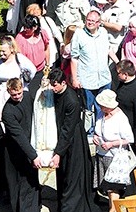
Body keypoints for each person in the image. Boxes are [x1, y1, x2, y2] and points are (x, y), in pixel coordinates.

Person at [47, 68, 95, 212]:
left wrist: (58, 153)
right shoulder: (56, 94)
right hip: (64, 138)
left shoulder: (72, 101)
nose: (52, 88)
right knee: (63, 175)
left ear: (63, 83)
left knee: (72, 176)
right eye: (51, 84)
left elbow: (68, 130)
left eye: (55, 84)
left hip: (74, 141)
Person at [2, 76, 43, 212]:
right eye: (14, 94)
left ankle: (34, 206)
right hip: (16, 150)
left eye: (19, 93)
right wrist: (33, 156)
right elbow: (18, 136)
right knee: (18, 183)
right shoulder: (7, 111)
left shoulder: (27, 96)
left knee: (31, 180)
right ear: (8, 92)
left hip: (29, 145)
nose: (17, 97)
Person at [92, 89, 135, 212]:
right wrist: (95, 137)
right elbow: (97, 130)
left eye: (102, 106)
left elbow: (129, 139)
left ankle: (113, 209)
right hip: (101, 154)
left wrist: (112, 144)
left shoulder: (120, 118)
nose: (100, 107)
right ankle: (113, 207)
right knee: (106, 186)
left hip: (115, 157)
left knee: (113, 187)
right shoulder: (101, 114)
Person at [70, 10, 113, 120]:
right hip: (87, 80)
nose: (90, 23)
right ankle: (90, 133)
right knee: (88, 109)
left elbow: (109, 50)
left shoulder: (103, 32)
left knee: (104, 108)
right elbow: (74, 58)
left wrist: (119, 64)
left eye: (93, 21)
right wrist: (75, 79)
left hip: (104, 78)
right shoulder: (79, 34)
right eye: (88, 20)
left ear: (99, 23)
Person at [115, 60, 136, 161]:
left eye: (118, 73)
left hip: (132, 130)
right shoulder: (122, 83)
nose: (117, 76)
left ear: (125, 74)